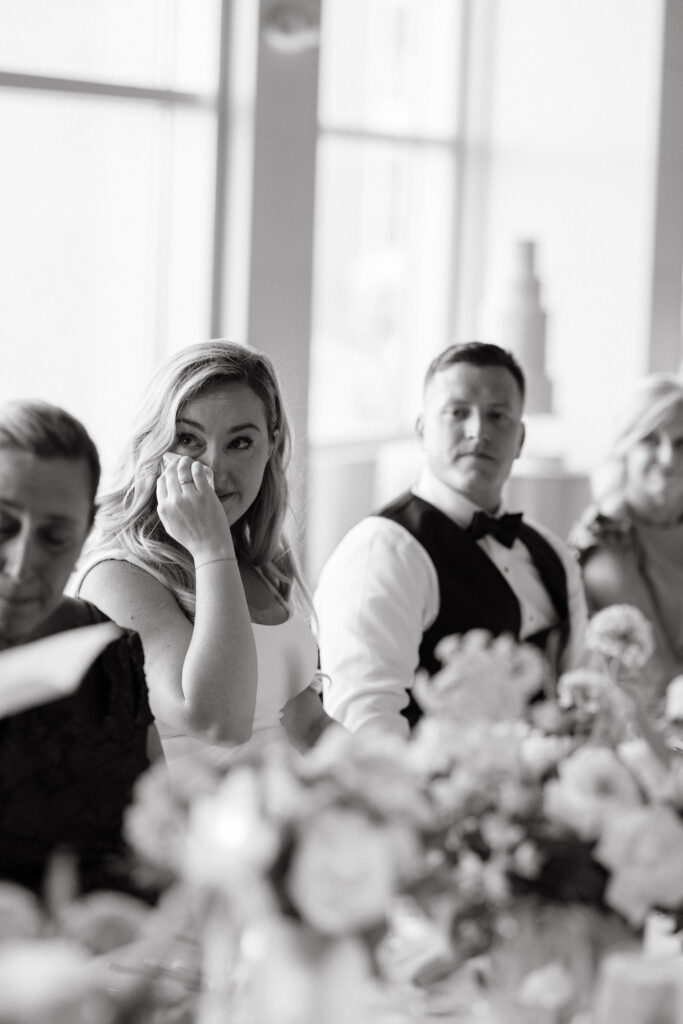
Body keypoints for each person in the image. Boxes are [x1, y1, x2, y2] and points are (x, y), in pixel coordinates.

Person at [77, 340, 329, 770]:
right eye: (189, 439)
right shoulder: (118, 577)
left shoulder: (258, 562)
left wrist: (402, 785)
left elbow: (308, 726)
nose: (212, 467)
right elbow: (217, 722)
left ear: (271, 445)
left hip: (293, 819)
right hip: (194, 830)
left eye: (240, 443)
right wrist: (211, 548)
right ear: (155, 447)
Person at [315, 342, 587, 738]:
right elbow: (365, 727)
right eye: (458, 413)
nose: (478, 431)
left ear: (521, 439)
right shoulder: (384, 551)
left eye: (498, 415)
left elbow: (580, 687)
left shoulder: (552, 553)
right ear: (423, 430)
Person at [0, 399, 153, 895]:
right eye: (3, 526)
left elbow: (153, 846)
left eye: (55, 537)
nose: (22, 565)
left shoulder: (110, 658)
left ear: (86, 531)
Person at [569, 372, 683, 699]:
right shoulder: (605, 538)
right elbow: (656, 673)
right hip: (648, 731)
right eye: (651, 440)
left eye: (681, 443)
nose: (668, 458)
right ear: (625, 448)